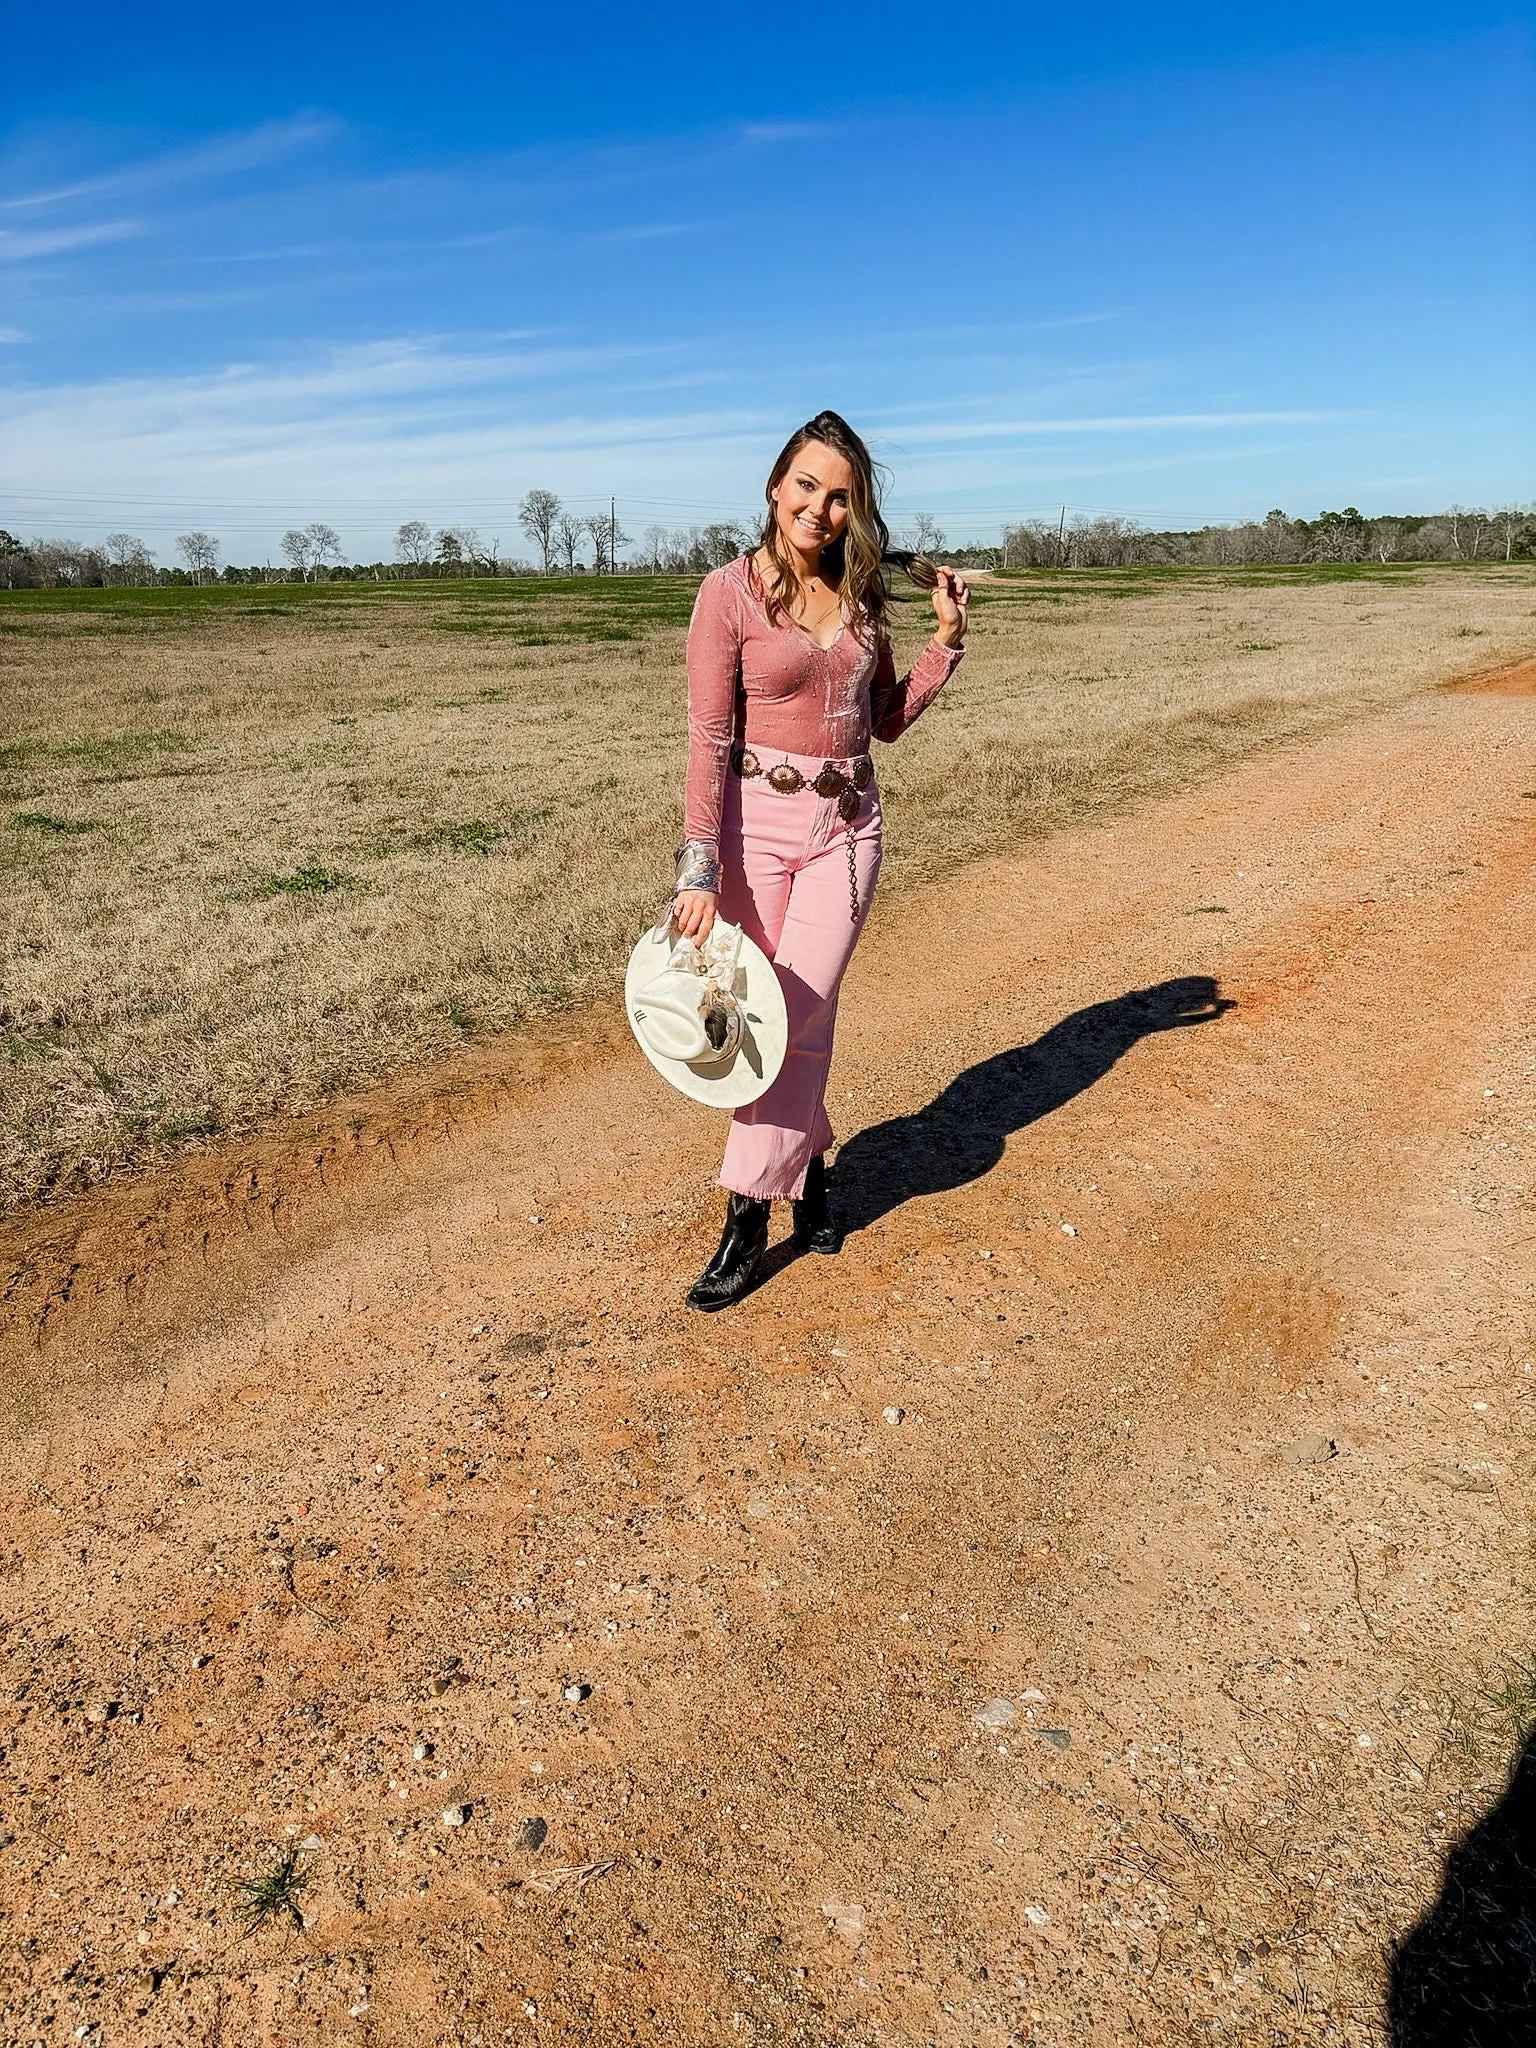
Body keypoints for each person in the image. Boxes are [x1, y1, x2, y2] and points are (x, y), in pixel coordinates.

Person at [672, 409, 969, 1309]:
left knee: (798, 1007)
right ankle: (813, 1173)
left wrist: (944, 642)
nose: (820, 509)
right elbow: (706, 736)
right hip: (752, 827)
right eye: (807, 485)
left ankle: (745, 1213)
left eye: (840, 497)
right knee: (778, 1019)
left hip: (849, 829)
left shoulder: (865, 598)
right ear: (774, 487)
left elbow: (882, 720)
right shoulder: (726, 594)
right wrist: (698, 870)